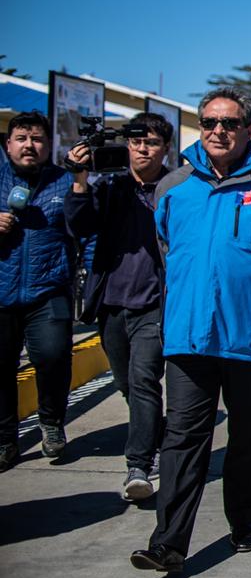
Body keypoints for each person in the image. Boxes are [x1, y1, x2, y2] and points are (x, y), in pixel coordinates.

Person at [129, 88, 251, 573]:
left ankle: (244, 520)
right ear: (200, 128)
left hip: (249, 336)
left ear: (248, 130)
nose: (218, 131)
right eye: (209, 123)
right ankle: (168, 543)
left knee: (247, 437)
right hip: (188, 335)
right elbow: (168, 252)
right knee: (183, 439)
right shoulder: (174, 186)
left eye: (229, 123)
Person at [65, 112, 173, 499]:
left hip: (155, 304)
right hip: (111, 303)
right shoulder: (110, 186)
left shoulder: (174, 188)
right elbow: (79, 225)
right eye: (136, 141)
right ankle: (154, 436)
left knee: (145, 380)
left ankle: (138, 466)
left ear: (166, 149)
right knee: (127, 383)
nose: (142, 148)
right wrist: (80, 179)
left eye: (152, 142)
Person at [0, 111, 75, 469]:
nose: (30, 145)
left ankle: (51, 422)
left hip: (49, 289)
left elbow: (85, 230)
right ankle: (4, 440)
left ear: (49, 145)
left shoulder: (65, 182)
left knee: (53, 356)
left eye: (38, 139)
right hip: (1, 291)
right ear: (8, 143)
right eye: (22, 138)